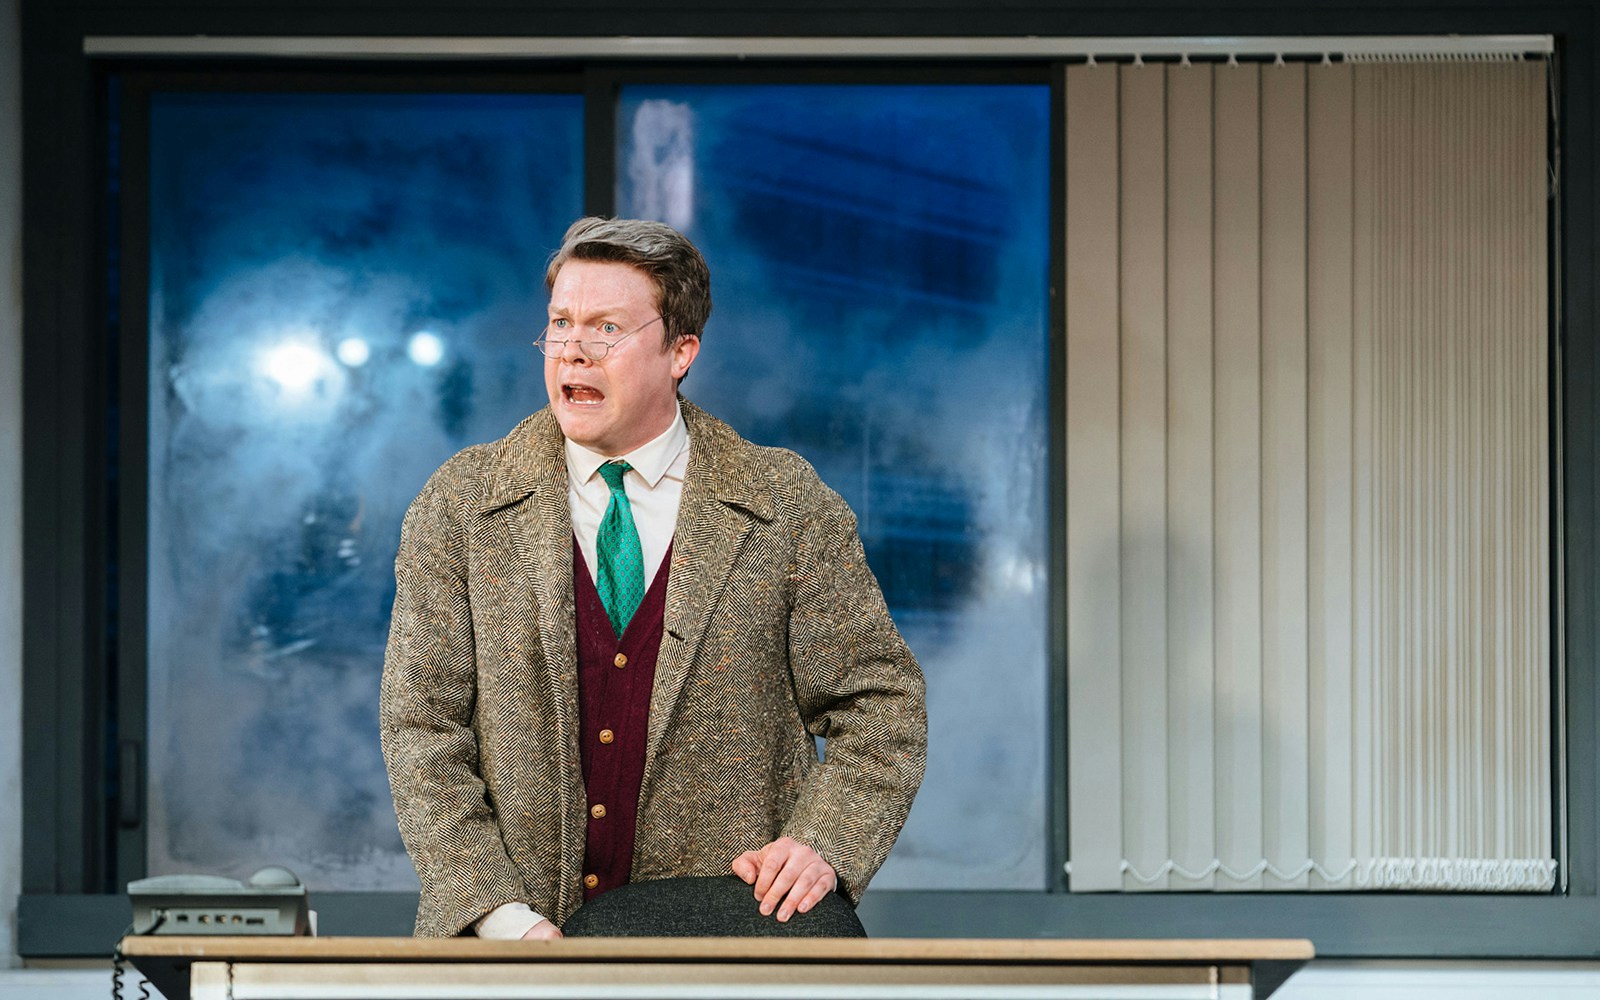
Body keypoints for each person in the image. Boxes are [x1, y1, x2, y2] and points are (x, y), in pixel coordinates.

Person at [380, 217, 927, 939]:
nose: (572, 349)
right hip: (508, 958)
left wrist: (826, 842)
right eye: (560, 324)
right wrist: (499, 915)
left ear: (680, 351)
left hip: (723, 953)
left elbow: (882, 703)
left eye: (606, 328)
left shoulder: (784, 504)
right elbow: (421, 726)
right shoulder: (461, 503)